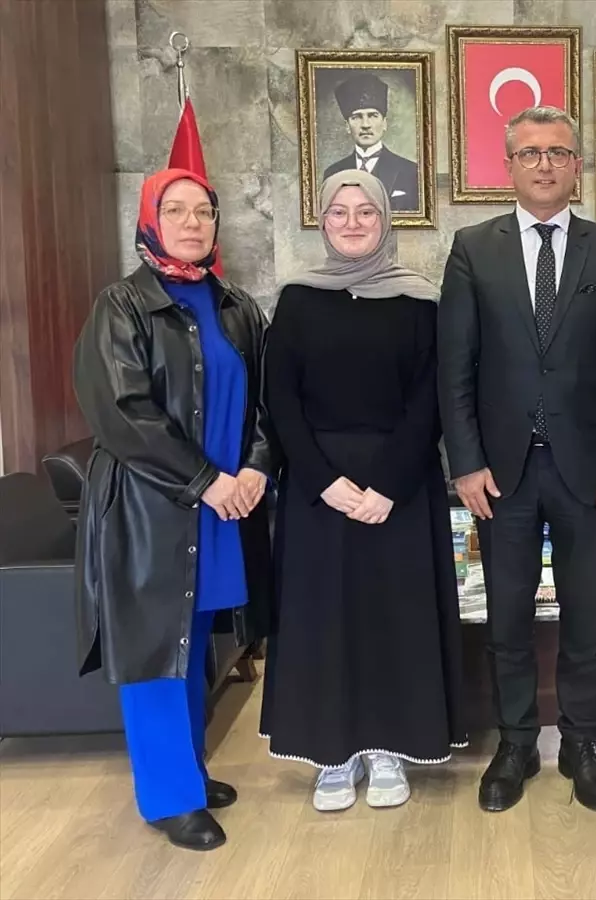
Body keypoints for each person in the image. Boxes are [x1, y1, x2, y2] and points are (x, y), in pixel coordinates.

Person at [439, 106, 596, 814]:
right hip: (500, 472)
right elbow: (455, 369)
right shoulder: (474, 248)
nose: (544, 165)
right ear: (509, 165)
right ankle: (516, 742)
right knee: (507, 617)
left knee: (587, 616)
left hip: (588, 470)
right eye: (530, 153)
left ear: (578, 167)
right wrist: (464, 462)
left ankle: (583, 745)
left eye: (559, 152)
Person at [73, 169, 276, 851]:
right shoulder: (122, 305)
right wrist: (204, 479)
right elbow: (122, 415)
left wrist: (253, 466)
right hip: (150, 507)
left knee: (191, 647)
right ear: (151, 221)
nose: (192, 223)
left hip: (220, 505)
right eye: (176, 210)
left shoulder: (235, 305)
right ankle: (168, 798)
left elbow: (263, 403)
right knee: (155, 652)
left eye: (204, 211)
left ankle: (186, 770)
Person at [259, 171, 466, 812]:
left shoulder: (419, 301)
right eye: (339, 212)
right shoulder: (295, 299)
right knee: (324, 619)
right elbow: (280, 401)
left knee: (392, 616)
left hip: (399, 486)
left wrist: (387, 485)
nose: (352, 223)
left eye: (365, 213)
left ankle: (388, 748)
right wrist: (326, 484)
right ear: (322, 222)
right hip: (317, 487)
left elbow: (432, 401)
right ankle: (331, 754)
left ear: (386, 221)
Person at [323, 72, 420, 212]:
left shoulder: (410, 171)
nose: (366, 124)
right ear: (347, 126)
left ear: (384, 123)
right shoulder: (333, 173)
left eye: (373, 116)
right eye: (357, 117)